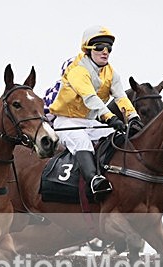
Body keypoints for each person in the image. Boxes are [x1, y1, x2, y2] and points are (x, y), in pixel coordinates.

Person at [47, 25, 143, 200]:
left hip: (90, 122)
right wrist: (110, 117)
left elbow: (121, 97)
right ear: (89, 50)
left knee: (119, 136)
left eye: (109, 48)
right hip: (67, 122)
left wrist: (133, 117)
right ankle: (93, 179)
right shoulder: (77, 70)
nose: (105, 52)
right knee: (82, 142)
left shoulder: (111, 73)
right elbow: (90, 98)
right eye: (100, 47)